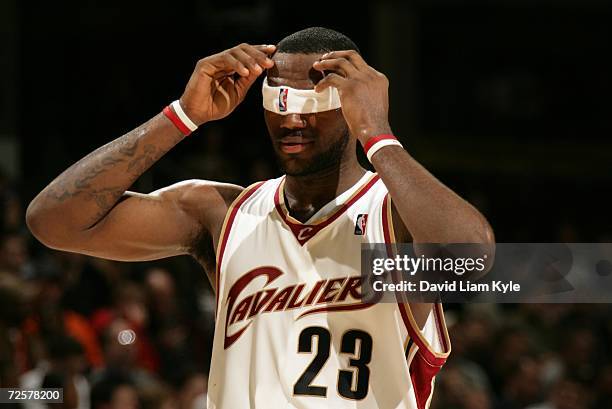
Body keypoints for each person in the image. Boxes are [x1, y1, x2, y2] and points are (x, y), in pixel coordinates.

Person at [26, 27, 494, 408]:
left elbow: (474, 259)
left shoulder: (394, 215)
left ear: (351, 105)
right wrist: (182, 116)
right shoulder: (222, 213)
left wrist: (378, 134)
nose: (292, 122)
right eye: (278, 103)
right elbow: (53, 221)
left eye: (311, 104)